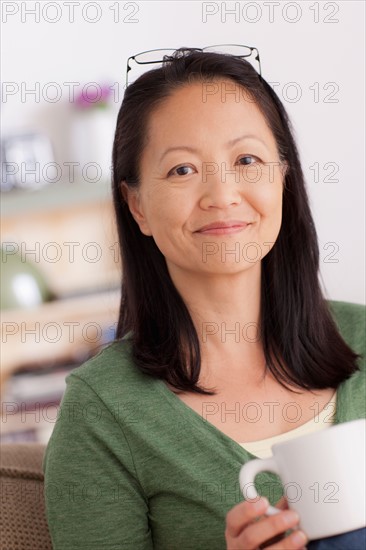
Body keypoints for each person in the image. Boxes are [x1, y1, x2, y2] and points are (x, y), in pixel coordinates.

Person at [43, 47, 365, 549]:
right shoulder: (101, 411)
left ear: (283, 177)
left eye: (246, 159)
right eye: (182, 170)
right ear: (137, 206)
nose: (222, 194)